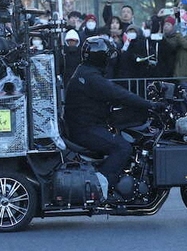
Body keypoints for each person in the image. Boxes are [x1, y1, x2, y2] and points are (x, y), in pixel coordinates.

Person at [63, 36, 155, 201]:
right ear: (100, 56)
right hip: (85, 129)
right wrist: (149, 104)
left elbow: (112, 93)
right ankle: (101, 186)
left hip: (83, 125)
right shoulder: (92, 77)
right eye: (108, 55)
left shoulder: (85, 71)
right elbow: (118, 94)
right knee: (123, 148)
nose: (110, 59)